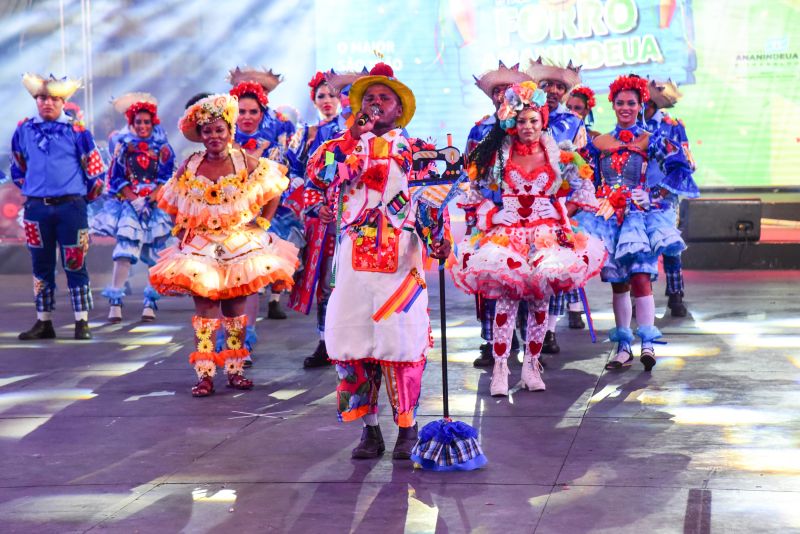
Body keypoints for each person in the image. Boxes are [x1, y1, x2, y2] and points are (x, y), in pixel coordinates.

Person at [306, 63, 451, 459]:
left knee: (401, 344)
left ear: (399, 110)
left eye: (384, 99)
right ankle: (369, 431)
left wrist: (440, 240)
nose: (375, 104)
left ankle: (408, 428)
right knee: (352, 345)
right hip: (353, 262)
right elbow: (315, 175)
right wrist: (353, 135)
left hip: (402, 262)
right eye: (368, 99)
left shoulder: (418, 151)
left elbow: (433, 201)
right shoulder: (343, 144)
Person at [451, 82, 605, 396]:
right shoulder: (496, 155)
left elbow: (585, 188)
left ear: (543, 120)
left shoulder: (558, 153)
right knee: (505, 304)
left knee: (539, 304)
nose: (528, 127)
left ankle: (532, 367)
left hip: (545, 235)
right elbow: (471, 191)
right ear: (511, 122)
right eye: (521, 121)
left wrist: (562, 207)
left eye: (534, 120)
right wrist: (492, 215)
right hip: (508, 236)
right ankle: (500, 370)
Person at [148, 94, 299, 396]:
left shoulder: (245, 160)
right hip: (200, 248)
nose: (214, 137)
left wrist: (263, 223)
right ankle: (204, 373)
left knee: (235, 311)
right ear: (200, 135)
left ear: (229, 131)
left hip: (238, 246)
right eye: (208, 131)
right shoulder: (191, 165)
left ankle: (235, 370)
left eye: (219, 130)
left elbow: (274, 188)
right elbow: (170, 199)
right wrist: (181, 229)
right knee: (205, 312)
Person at [576, 75, 695, 372]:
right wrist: (589, 196)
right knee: (619, 283)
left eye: (631, 103)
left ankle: (648, 345)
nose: (625, 108)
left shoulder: (651, 139)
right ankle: (623, 346)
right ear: (613, 105)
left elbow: (680, 167)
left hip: (638, 218)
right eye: (620, 103)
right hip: (606, 218)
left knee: (641, 278)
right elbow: (577, 173)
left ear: (641, 105)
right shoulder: (599, 143)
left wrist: (654, 193)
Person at [11, 73, 105, 340]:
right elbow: (17, 167)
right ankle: (44, 321)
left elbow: (96, 172)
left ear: (63, 101)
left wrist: (80, 200)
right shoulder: (24, 130)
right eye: (42, 98)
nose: (47, 103)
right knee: (40, 265)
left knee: (75, 263)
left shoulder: (78, 132)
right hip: (37, 209)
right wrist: (34, 191)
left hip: (71, 208)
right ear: (35, 100)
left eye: (53, 98)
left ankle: (81, 322)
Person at [290, 69, 366, 369]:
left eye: (336, 95)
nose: (331, 101)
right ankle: (326, 341)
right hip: (330, 221)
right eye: (322, 95)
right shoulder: (317, 135)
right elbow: (307, 174)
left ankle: (362, 342)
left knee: (363, 282)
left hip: (367, 221)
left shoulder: (381, 135)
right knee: (328, 283)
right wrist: (316, 204)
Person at [463, 61, 532, 369]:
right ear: (491, 97)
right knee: (492, 280)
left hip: (527, 213)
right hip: (492, 213)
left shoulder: (529, 125)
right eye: (497, 91)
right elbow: (470, 176)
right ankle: (492, 341)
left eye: (509, 90)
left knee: (526, 280)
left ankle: (530, 340)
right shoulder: (479, 129)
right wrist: (477, 212)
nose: (503, 95)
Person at [91, 93, 175, 322]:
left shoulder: (163, 148)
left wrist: (152, 199)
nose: (143, 126)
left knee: (155, 256)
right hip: (130, 205)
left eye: (147, 122)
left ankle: (150, 303)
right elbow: (116, 177)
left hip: (155, 207)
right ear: (131, 123)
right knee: (124, 253)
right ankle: (115, 303)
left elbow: (167, 177)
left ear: (153, 122)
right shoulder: (123, 146)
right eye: (138, 122)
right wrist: (133, 199)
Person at [526, 57, 589, 352]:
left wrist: (570, 206)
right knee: (523, 274)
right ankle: (520, 337)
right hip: (523, 205)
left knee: (554, 274)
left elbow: (582, 170)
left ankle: (549, 331)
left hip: (559, 208)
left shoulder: (574, 123)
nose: (552, 90)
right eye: (546, 84)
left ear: (566, 92)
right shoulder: (523, 118)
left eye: (559, 86)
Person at [228, 66, 299, 320]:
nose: (247, 116)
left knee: (279, 249)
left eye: (253, 110)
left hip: (272, 200)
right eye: (242, 110)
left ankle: (275, 299)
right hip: (235, 207)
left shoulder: (280, 125)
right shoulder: (225, 130)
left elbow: (285, 164)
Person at [640, 79, 699, 317]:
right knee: (639, 246)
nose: (635, 105)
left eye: (640, 100)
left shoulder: (671, 125)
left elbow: (687, 163)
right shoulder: (629, 125)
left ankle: (676, 294)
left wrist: (663, 190)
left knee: (670, 245)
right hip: (635, 195)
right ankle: (641, 298)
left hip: (665, 194)